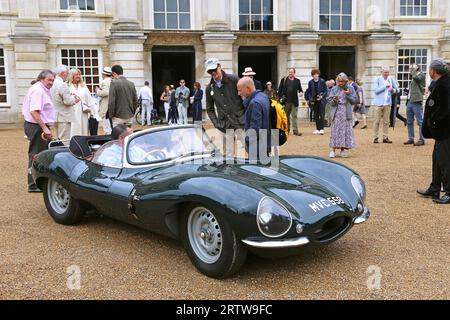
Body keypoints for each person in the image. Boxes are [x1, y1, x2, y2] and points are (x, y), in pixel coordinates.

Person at [417, 59, 450, 204]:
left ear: (434, 71)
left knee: (445, 161)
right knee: (437, 159)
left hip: (446, 130)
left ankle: (449, 192)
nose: (428, 72)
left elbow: (446, 108)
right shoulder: (440, 83)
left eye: (429, 69)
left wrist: (434, 119)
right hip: (441, 130)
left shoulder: (445, 85)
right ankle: (435, 187)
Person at [22, 70, 56, 192]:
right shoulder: (38, 90)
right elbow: (34, 111)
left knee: (42, 154)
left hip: (37, 125)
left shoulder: (40, 89)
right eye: (49, 80)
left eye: (53, 80)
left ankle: (39, 181)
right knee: (35, 155)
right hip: (37, 126)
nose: (51, 82)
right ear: (41, 79)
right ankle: (33, 184)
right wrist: (45, 128)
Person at [205, 57, 245, 156]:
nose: (213, 73)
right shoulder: (209, 88)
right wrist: (216, 123)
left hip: (240, 122)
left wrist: (246, 117)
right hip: (224, 125)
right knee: (228, 154)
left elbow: (246, 98)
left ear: (219, 66)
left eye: (214, 69)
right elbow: (209, 109)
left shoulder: (234, 80)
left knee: (250, 149)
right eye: (210, 71)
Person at [237, 77, 271, 160]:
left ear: (248, 88)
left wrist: (246, 139)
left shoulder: (254, 103)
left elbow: (254, 130)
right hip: (265, 142)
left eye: (240, 90)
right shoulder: (263, 96)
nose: (238, 93)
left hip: (257, 147)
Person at [328, 73, 357, 158]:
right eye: (339, 81)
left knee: (344, 132)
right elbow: (330, 102)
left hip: (346, 112)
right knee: (335, 131)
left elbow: (354, 101)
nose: (340, 83)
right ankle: (333, 150)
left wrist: (348, 94)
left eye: (342, 82)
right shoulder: (334, 88)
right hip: (336, 113)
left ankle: (343, 150)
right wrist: (334, 100)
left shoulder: (350, 88)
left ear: (345, 81)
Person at [51, 65, 79, 141]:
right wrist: (75, 99)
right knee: (64, 140)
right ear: (63, 73)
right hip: (64, 116)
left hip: (56, 115)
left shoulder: (52, 83)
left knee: (57, 139)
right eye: (67, 73)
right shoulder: (62, 84)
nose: (68, 75)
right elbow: (68, 101)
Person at [372, 67, 399, 144]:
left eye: (387, 72)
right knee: (376, 121)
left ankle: (385, 137)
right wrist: (385, 87)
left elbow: (397, 89)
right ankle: (375, 137)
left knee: (386, 122)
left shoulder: (391, 79)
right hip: (378, 104)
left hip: (387, 104)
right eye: (385, 72)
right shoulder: (377, 79)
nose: (386, 74)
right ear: (381, 72)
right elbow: (376, 91)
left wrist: (393, 90)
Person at [67, 69, 97, 137]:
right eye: (76, 74)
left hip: (83, 112)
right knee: (74, 130)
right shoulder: (67, 86)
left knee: (84, 130)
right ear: (72, 76)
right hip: (72, 112)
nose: (78, 76)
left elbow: (89, 99)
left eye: (79, 74)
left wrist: (92, 112)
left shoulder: (83, 86)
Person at [404, 63, 426, 146]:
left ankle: (422, 139)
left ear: (417, 68)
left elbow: (416, 78)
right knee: (409, 121)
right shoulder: (413, 76)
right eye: (409, 68)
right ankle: (411, 138)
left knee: (420, 121)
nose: (410, 70)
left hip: (417, 101)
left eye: (411, 68)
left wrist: (413, 70)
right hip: (410, 101)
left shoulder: (421, 75)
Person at [277, 68, 304, 136]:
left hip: (294, 102)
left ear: (294, 73)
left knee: (294, 116)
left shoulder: (297, 81)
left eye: (291, 72)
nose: (290, 73)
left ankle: (295, 131)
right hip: (286, 102)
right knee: (286, 117)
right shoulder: (284, 80)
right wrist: (280, 99)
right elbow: (280, 90)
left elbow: (300, 89)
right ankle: (287, 130)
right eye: (289, 72)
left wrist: (301, 93)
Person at [307, 69, 327, 135]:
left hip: (321, 101)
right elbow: (309, 92)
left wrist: (322, 96)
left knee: (321, 115)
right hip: (314, 101)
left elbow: (325, 91)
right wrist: (310, 99)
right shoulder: (310, 82)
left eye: (316, 74)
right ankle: (317, 129)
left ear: (318, 74)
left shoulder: (322, 81)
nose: (315, 75)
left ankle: (322, 129)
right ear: (312, 75)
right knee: (316, 115)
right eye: (314, 74)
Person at [96, 67, 113, 135]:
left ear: (104, 74)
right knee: (110, 125)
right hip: (111, 105)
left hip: (106, 106)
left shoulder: (105, 81)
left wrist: (98, 91)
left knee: (106, 126)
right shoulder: (112, 80)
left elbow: (106, 92)